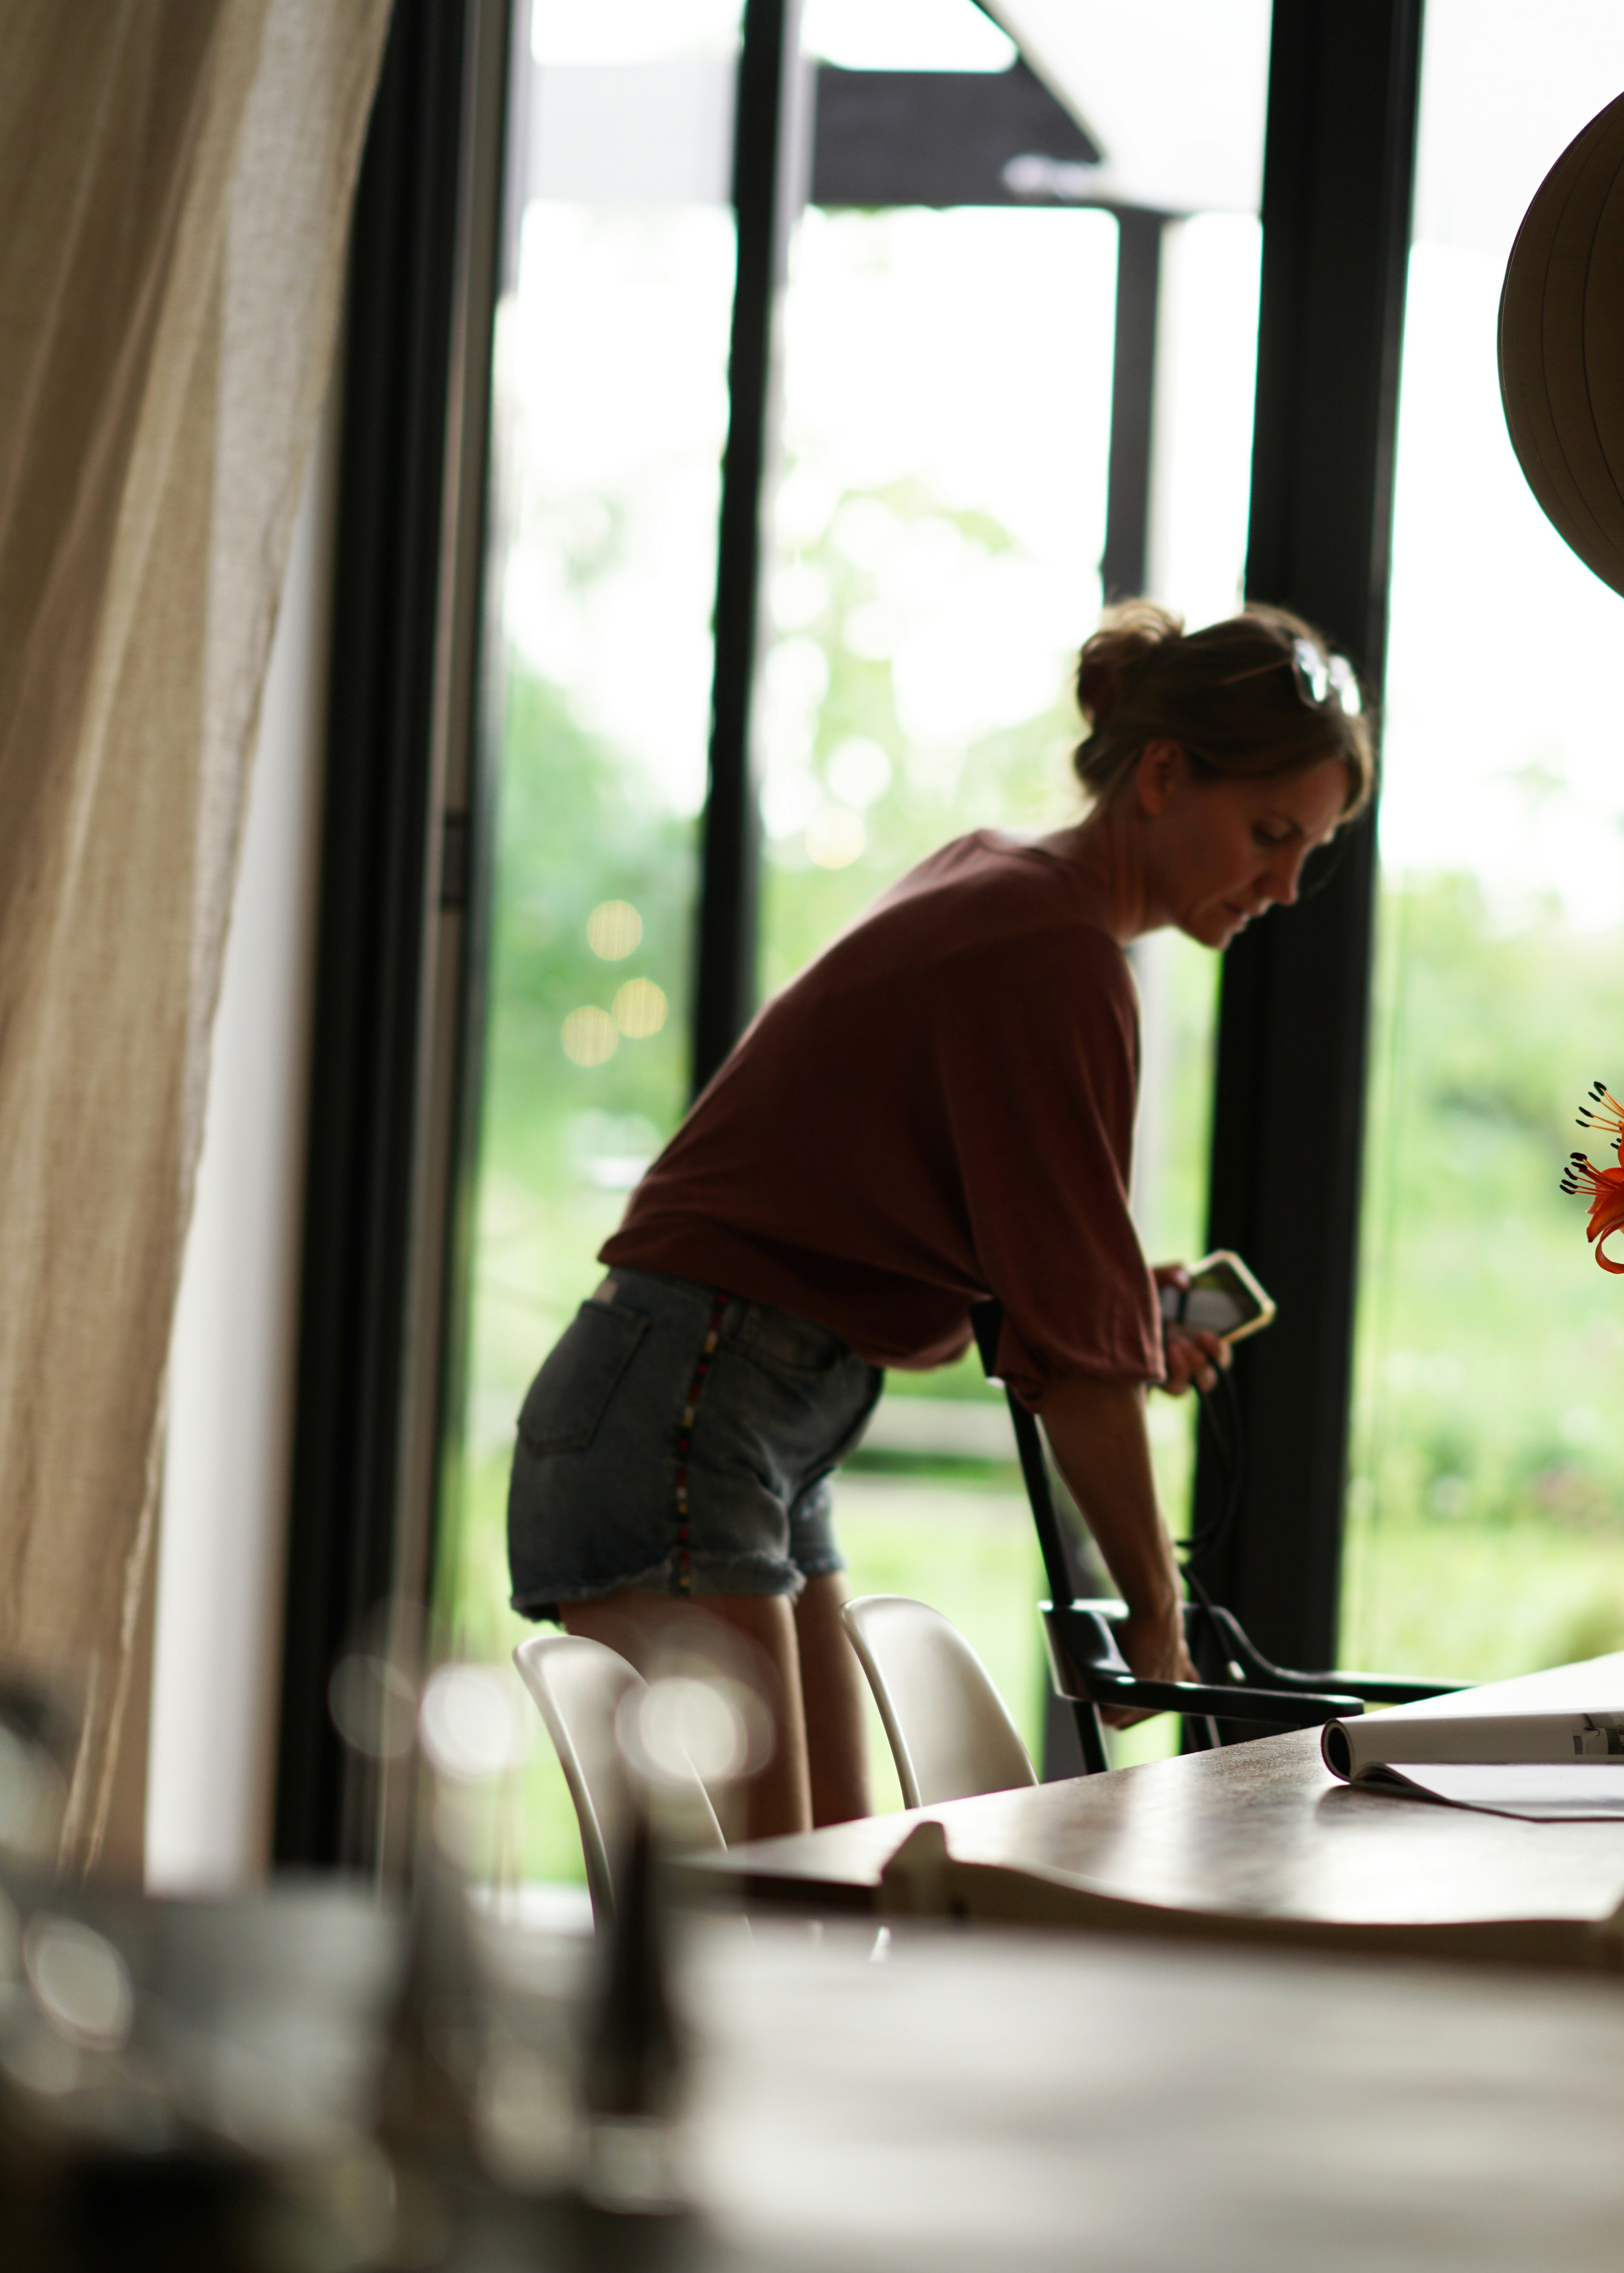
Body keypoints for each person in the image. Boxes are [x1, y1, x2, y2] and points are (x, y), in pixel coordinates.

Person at [505, 600, 1374, 1841]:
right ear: (1165, 776)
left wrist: (1118, 1300)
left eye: (1313, 850)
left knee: (833, 1887)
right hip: (691, 1408)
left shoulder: (1012, 888)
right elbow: (1076, 1365)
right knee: (777, 1919)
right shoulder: (1055, 953)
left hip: (727, 1407)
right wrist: (1156, 1611)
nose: (1287, 884)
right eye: (1270, 833)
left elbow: (1004, 1238)